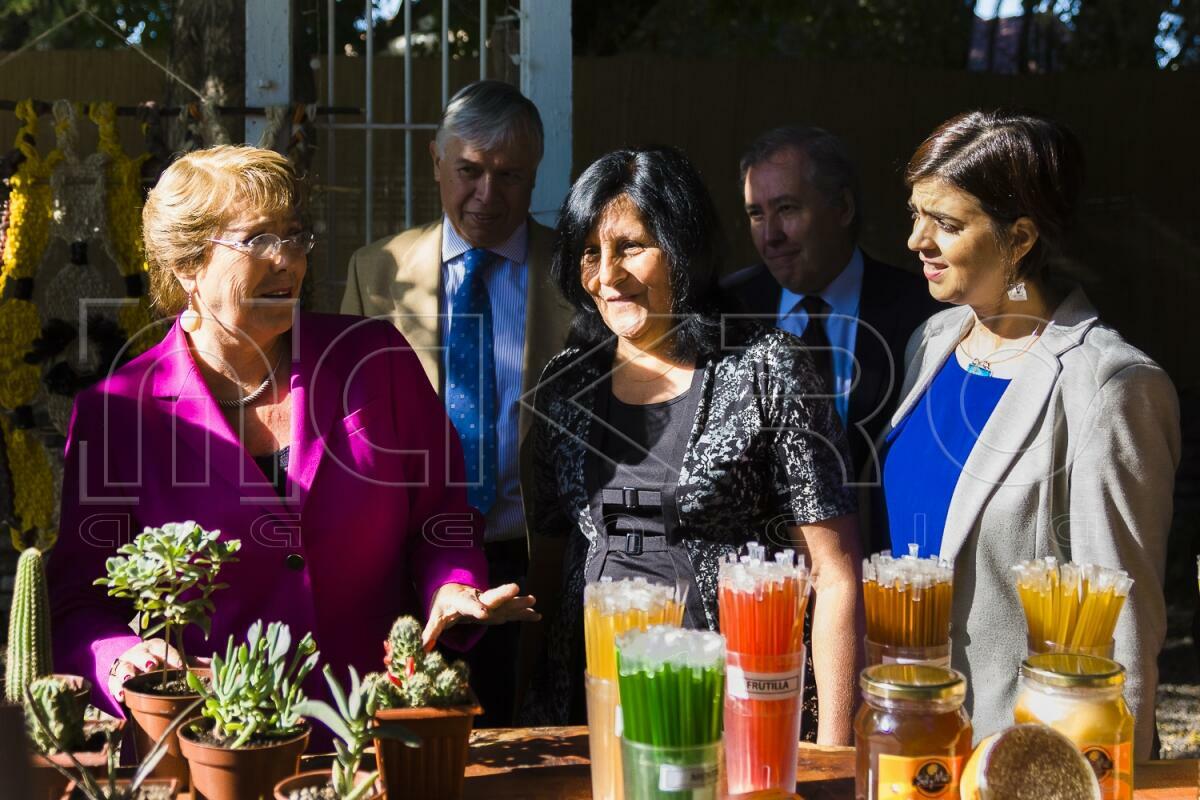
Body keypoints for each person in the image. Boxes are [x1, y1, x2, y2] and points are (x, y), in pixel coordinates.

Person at [48, 145, 537, 720]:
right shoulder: (117, 412)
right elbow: (79, 600)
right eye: (257, 240)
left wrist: (451, 586)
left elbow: (442, 517)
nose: (289, 261)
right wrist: (123, 657)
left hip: (380, 726)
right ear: (186, 265)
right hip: (222, 736)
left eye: (296, 236)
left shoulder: (375, 359)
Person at [518, 146, 863, 745]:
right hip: (585, 714)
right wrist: (529, 718)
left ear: (683, 247)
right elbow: (548, 568)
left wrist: (831, 758)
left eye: (629, 247)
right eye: (589, 254)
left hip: (734, 719)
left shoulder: (766, 371)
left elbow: (833, 576)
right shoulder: (565, 384)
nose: (606, 275)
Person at [880, 110, 1179, 759]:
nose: (915, 241)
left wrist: (1107, 777)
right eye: (915, 214)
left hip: (1025, 758)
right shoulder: (930, 343)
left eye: (946, 224)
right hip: (911, 737)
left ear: (1019, 239)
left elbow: (1123, 628)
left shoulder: (1109, 387)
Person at [341, 81, 571, 724]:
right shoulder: (377, 269)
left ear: (534, 175)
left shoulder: (577, 272)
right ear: (435, 161)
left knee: (531, 740)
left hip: (535, 558)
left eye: (510, 177)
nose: (487, 196)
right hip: (416, 559)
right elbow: (348, 426)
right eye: (469, 171)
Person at [724, 126, 940, 487]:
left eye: (787, 208)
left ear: (842, 208)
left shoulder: (924, 312)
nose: (770, 236)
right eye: (756, 215)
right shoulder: (726, 309)